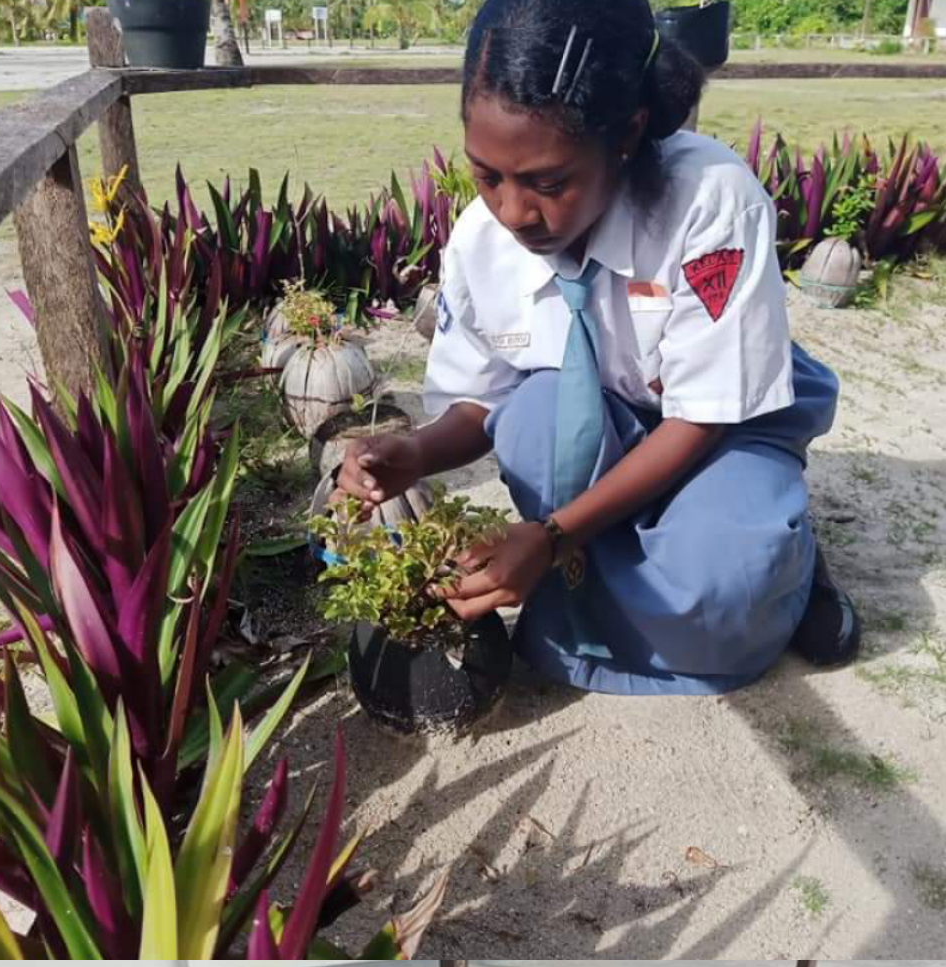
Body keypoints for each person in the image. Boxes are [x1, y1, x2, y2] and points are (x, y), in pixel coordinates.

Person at [335, 0, 855, 695]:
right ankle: (632, 552)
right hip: (601, 422)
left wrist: (549, 539)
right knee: (532, 416)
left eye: (549, 183)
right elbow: (479, 403)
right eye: (486, 175)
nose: (515, 213)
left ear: (628, 135)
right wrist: (416, 451)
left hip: (717, 426)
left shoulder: (710, 205)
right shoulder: (481, 240)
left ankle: (784, 567)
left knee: (722, 587)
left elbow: (703, 415)